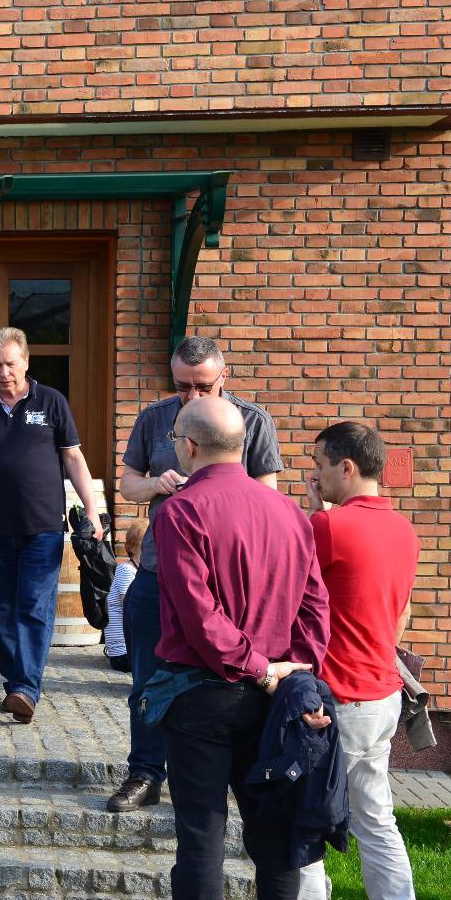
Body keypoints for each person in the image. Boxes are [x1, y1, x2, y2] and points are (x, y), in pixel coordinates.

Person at [125, 396, 330, 900]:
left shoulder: (182, 508)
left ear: (187, 447)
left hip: (206, 693)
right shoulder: (291, 513)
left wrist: (257, 666)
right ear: (242, 447)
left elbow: (197, 612)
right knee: (273, 836)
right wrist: (291, 668)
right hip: (272, 693)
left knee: (203, 838)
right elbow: (316, 607)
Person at [109, 336, 283, 812]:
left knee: (229, 675)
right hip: (157, 572)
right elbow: (127, 484)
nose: (191, 396)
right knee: (146, 680)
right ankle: (145, 773)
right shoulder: (154, 418)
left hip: (226, 579)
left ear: (223, 376)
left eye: (202, 386)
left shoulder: (252, 422)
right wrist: (156, 484)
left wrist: (213, 487)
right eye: (182, 386)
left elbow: (267, 500)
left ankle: (234, 775)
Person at [290, 421, 425, 900]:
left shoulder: (331, 528)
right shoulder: (406, 531)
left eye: (320, 462)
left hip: (337, 697)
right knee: (375, 816)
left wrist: (313, 513)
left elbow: (288, 589)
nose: (314, 473)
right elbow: (399, 615)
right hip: (382, 691)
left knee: (306, 816)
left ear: (347, 467)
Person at [0, 326, 101, 724]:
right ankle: (18, 680)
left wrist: (92, 509)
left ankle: (24, 688)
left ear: (26, 362)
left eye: (10, 364)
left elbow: (73, 459)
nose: (3, 372)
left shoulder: (51, 402)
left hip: (42, 527)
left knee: (33, 606)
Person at [103, 523, 142, 674]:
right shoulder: (126, 570)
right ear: (133, 547)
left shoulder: (137, 570)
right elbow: (131, 608)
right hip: (123, 653)